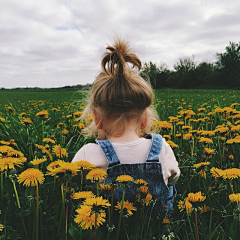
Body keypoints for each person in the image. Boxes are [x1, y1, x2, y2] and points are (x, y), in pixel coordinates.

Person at [72, 39, 180, 214]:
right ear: (145, 119)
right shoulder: (162, 148)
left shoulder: (87, 154)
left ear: (96, 119)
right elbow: (173, 178)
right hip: (157, 225)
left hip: (106, 226)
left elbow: (74, 181)